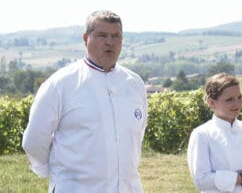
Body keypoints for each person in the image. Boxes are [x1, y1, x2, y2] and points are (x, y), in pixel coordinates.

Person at [22, 10, 148, 193]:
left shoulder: (134, 83)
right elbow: (34, 140)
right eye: (102, 35)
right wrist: (58, 172)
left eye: (116, 36)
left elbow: (136, 137)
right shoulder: (60, 84)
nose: (110, 42)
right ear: (85, 38)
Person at [187, 73, 242, 193]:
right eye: (229, 100)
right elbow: (201, 179)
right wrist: (240, 178)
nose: (237, 104)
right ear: (212, 102)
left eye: (239, 97)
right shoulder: (202, 135)